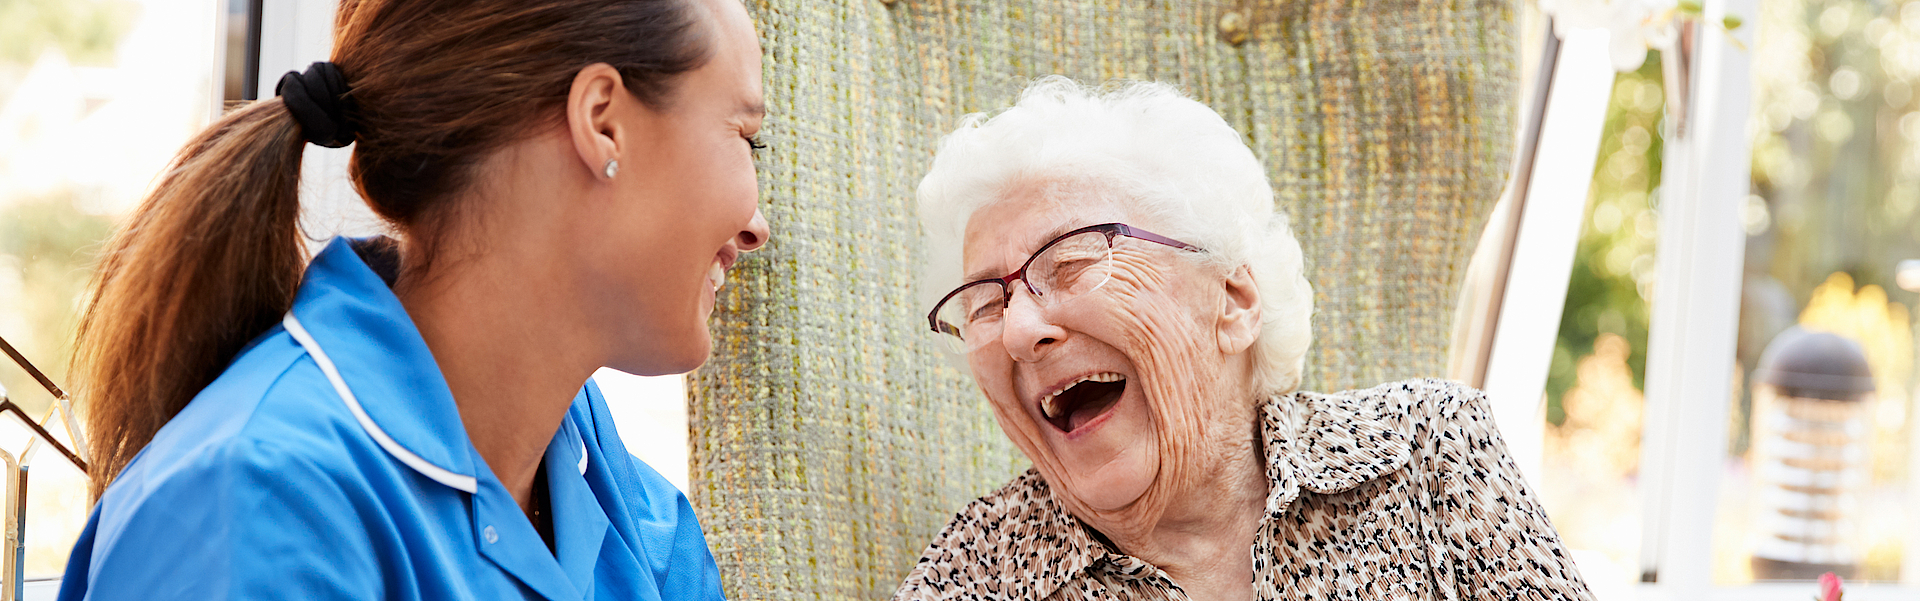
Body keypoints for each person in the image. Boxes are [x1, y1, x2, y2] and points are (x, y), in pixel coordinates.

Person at [58, 0, 769, 598]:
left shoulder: (632, 518)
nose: (757, 227)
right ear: (603, 120)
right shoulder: (254, 505)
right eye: (745, 137)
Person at [893, 78, 1593, 601]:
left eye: (1073, 261)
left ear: (1232, 300)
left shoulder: (1425, 452)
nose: (1018, 329)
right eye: (985, 303)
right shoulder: (974, 577)